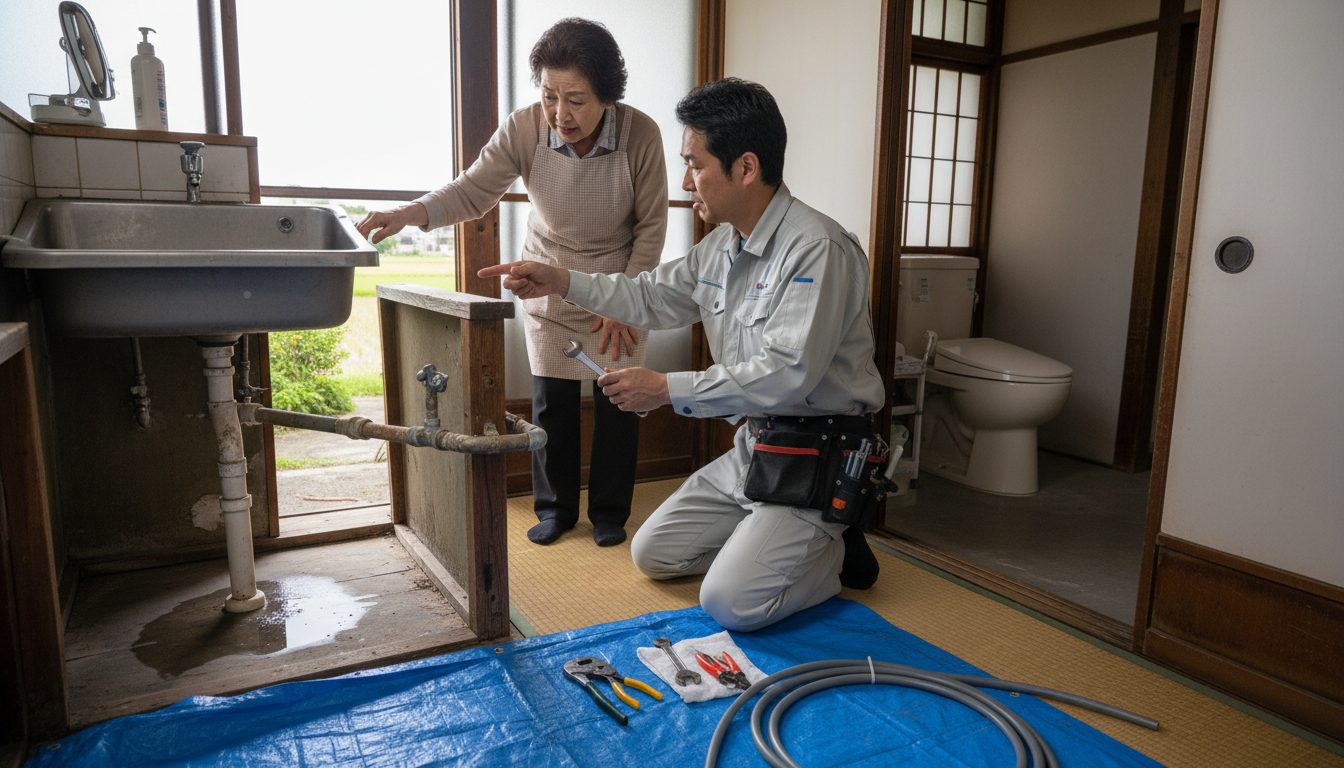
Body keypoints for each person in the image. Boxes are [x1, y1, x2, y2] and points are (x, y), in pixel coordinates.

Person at [478, 78, 887, 632]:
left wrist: (665, 389)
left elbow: (787, 375)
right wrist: (560, 279)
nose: (687, 181)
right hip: (756, 447)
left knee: (731, 604)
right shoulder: (722, 245)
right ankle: (780, 536)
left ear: (745, 167)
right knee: (654, 554)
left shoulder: (817, 249)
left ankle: (833, 549)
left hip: (819, 451)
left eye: (695, 165)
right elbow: (647, 295)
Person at [356, 19, 667, 548]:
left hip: (616, 288)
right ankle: (556, 510)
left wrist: (628, 303)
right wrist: (413, 213)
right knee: (553, 404)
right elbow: (474, 189)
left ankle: (611, 512)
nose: (560, 114)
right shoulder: (525, 128)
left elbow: (652, 227)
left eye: (577, 100)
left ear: (609, 98)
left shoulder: (641, 134)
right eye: (549, 96)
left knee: (621, 403)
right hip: (547, 278)